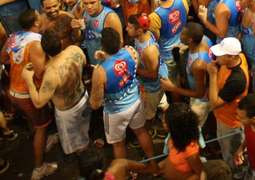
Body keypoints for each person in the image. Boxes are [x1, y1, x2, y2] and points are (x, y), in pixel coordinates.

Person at [89, 27, 157, 165]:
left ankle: (123, 174)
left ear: (102, 46)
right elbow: (127, 68)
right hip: (135, 102)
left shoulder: (100, 71)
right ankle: (154, 163)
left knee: (118, 144)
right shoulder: (130, 51)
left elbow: (95, 104)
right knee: (141, 131)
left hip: (115, 112)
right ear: (119, 41)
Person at [1, 10, 56, 179]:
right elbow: (40, 73)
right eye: (39, 15)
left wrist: (19, 63)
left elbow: (3, 59)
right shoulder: (36, 43)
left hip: (13, 91)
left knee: (34, 122)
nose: (41, 16)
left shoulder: (14, 36)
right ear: (36, 23)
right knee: (42, 127)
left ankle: (40, 139)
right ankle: (39, 168)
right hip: (27, 94)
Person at [22, 26, 90, 157]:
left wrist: (28, 80)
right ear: (61, 42)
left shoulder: (51, 73)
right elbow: (84, 64)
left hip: (68, 111)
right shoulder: (75, 50)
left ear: (44, 51)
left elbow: (39, 102)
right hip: (83, 97)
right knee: (84, 129)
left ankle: (85, 161)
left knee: (76, 143)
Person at [208, 36, 249, 169]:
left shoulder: (237, 80)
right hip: (222, 117)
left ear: (231, 57)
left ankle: (232, 173)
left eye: (221, 55)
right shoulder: (239, 56)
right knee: (224, 147)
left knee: (231, 155)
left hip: (230, 123)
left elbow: (214, 103)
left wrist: (212, 75)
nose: (217, 57)